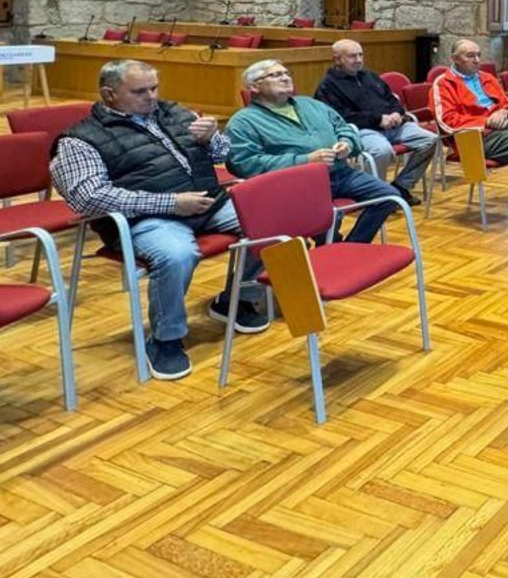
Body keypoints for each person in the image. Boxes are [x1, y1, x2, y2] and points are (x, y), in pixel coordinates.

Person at [50, 59, 269, 380]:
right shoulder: (80, 140)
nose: (152, 96)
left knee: (271, 220)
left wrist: (212, 138)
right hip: (147, 217)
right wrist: (169, 203)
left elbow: (225, 155)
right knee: (177, 255)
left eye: (154, 88)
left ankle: (236, 300)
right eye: (140, 91)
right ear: (109, 94)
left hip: (206, 201)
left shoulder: (176, 112)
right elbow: (88, 197)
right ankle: (165, 339)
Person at [225, 58, 402, 244]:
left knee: (389, 196)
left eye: (286, 73)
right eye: (276, 75)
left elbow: (344, 127)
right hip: (293, 184)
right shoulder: (243, 121)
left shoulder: (310, 104)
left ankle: (350, 247)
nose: (285, 78)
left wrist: (347, 144)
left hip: (340, 172)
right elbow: (243, 163)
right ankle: (329, 251)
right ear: (254, 87)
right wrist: (305, 160)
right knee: (329, 220)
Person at [313, 39, 437, 204]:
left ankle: (401, 186)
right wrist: (378, 119)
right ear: (337, 59)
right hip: (363, 130)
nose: (358, 60)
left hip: (393, 125)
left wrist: (396, 112)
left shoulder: (370, 76)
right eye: (352, 56)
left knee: (430, 139)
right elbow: (340, 118)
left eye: (360, 55)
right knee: (382, 151)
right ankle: (377, 195)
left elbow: (392, 99)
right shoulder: (327, 86)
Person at [432, 38, 508, 175]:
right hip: (473, 137)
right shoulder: (443, 83)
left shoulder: (487, 77)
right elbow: (447, 121)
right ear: (455, 59)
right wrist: (486, 121)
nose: (477, 60)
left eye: (479, 55)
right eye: (470, 56)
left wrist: (504, 111)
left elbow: (507, 103)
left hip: (502, 124)